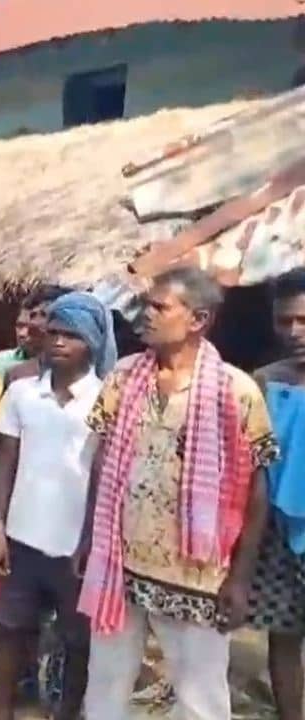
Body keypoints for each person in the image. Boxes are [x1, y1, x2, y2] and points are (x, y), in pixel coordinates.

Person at [79, 267, 277, 720]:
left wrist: (241, 578)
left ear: (198, 319)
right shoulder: (125, 377)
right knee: (107, 683)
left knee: (201, 700)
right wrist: (89, 536)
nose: (145, 315)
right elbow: (102, 460)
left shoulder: (236, 391)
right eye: (145, 304)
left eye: (159, 307)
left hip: (197, 575)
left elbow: (256, 488)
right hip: (119, 564)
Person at [0, 292, 115, 720]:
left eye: (71, 335)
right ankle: (2, 710)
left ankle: (65, 713)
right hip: (21, 539)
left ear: (93, 343)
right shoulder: (22, 393)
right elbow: (6, 461)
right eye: (54, 332)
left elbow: (105, 477)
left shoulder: (108, 401)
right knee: (10, 630)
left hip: (76, 549)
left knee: (76, 642)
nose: (58, 341)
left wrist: (91, 540)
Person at [249, 268, 305, 720]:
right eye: (284, 321)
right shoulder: (264, 382)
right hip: (275, 532)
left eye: (304, 320)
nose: (294, 332)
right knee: (283, 635)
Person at [0, 285, 68, 385]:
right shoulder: (8, 369)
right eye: (20, 326)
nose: (23, 333)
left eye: (43, 315)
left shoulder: (81, 370)